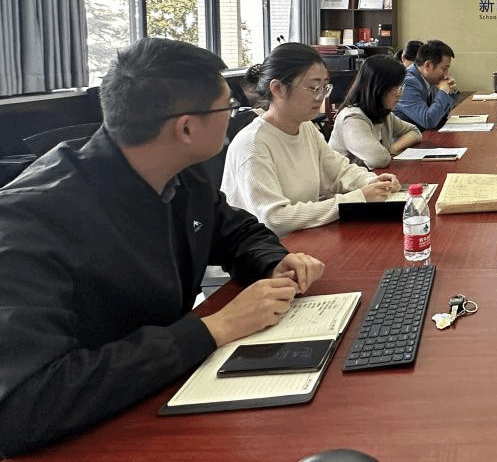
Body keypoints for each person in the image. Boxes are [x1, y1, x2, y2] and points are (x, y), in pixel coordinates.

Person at [0, 38, 326, 457]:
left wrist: (274, 261)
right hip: (94, 437)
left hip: (165, 395)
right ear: (185, 128)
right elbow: (23, 405)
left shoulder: (180, 173)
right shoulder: (30, 220)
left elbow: (236, 232)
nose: (234, 118)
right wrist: (211, 329)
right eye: (227, 108)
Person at [222, 42, 399, 237]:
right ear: (278, 88)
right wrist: (357, 198)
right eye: (314, 88)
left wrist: (373, 181)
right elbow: (275, 218)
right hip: (266, 249)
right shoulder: (253, 144)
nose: (321, 97)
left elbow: (338, 172)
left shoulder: (305, 127)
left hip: (302, 238)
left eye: (324, 87)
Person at [329, 54, 422, 168]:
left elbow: (415, 132)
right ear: (378, 88)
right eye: (395, 88)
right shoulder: (352, 118)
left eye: (400, 87)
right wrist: (387, 152)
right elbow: (379, 159)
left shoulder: (383, 113)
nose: (399, 94)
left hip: (374, 176)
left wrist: (393, 148)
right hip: (347, 180)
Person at [393, 39, 460, 131]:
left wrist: (450, 92)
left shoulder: (429, 79)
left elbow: (440, 116)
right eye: (444, 69)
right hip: (405, 137)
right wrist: (443, 92)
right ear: (428, 65)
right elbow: (429, 121)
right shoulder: (408, 82)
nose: (446, 75)